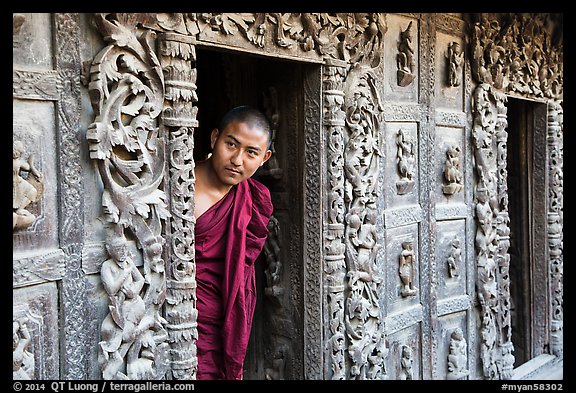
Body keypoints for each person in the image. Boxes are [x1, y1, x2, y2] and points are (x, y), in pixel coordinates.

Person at [193, 105, 273, 380]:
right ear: (214, 138)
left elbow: (241, 267)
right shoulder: (179, 184)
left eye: (251, 153)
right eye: (231, 144)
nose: (237, 160)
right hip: (178, 313)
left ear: (264, 158)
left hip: (226, 316)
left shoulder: (255, 198)